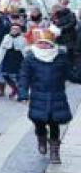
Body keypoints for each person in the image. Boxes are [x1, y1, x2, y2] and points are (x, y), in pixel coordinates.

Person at [18, 27, 81, 164]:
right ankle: (41, 137)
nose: (43, 45)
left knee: (54, 123)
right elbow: (24, 76)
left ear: (52, 44)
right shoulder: (31, 58)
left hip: (56, 96)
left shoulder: (60, 58)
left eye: (46, 43)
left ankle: (54, 151)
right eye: (40, 42)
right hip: (38, 96)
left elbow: (70, 74)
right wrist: (23, 93)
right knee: (39, 121)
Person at [0, 19, 28, 101]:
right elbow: (1, 49)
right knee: (5, 75)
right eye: (13, 29)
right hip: (7, 59)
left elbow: (24, 50)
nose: (14, 30)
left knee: (18, 77)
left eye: (16, 29)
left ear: (20, 30)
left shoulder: (23, 39)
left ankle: (19, 92)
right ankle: (14, 88)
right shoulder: (6, 37)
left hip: (18, 60)